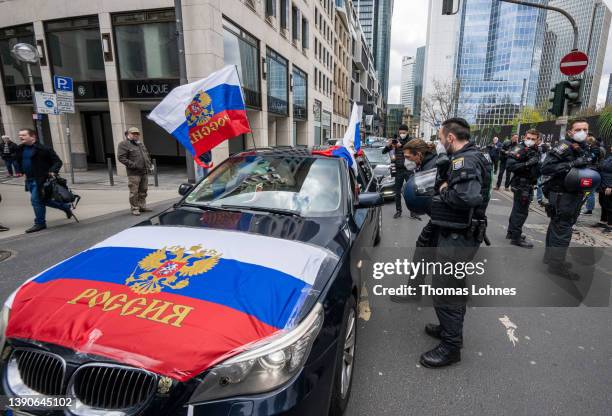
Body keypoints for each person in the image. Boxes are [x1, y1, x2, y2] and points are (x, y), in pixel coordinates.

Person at [420, 118, 492, 368]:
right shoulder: (470, 156)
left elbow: (467, 197)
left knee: (445, 289)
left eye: (441, 138)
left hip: (459, 237)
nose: (440, 143)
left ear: (451, 138)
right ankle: (448, 329)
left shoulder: (465, 160)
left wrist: (442, 189)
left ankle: (451, 347)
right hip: (458, 234)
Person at [390, 138, 440, 303]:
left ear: (418, 154)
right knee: (423, 252)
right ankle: (414, 291)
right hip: (439, 219)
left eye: (409, 157)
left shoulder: (432, 167)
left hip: (443, 220)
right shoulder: (428, 163)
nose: (407, 161)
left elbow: (432, 195)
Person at [541, 119, 592, 280]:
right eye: (578, 129)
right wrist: (572, 163)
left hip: (572, 194)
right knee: (563, 227)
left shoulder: (582, 147)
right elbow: (546, 167)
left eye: (585, 129)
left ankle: (551, 258)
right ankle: (556, 265)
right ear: (570, 131)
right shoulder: (564, 146)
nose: (582, 132)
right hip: (563, 194)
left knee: (558, 225)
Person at [14, 128, 74, 233]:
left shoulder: (44, 149)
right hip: (29, 179)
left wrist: (52, 171)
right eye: (20, 135)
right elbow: (18, 160)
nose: (20, 137)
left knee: (35, 201)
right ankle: (65, 207)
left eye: (23, 135)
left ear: (33, 136)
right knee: (43, 200)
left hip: (42, 180)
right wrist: (20, 170)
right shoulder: (20, 148)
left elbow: (57, 162)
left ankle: (40, 223)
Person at [505, 129, 541, 248]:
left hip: (527, 184)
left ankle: (511, 232)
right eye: (528, 138)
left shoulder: (534, 150)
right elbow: (510, 166)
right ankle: (516, 237)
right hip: (521, 185)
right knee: (521, 212)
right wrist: (527, 164)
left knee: (517, 209)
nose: (530, 141)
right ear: (524, 137)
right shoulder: (519, 148)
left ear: (537, 140)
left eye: (533, 139)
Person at [117, 127, 153, 216]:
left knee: (143, 190)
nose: (135, 135)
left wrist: (150, 165)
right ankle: (135, 208)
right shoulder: (123, 144)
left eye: (137, 133)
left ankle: (142, 206)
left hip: (144, 171)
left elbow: (146, 155)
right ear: (128, 134)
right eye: (133, 133)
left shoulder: (140, 144)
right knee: (134, 192)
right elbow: (121, 158)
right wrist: (134, 165)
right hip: (134, 173)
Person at [382, 125, 415, 219]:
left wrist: (402, 146)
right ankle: (398, 211)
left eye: (404, 132)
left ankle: (412, 212)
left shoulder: (411, 141)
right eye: (400, 132)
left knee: (411, 191)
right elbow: (384, 152)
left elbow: (414, 150)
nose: (402, 134)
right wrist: (389, 145)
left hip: (409, 169)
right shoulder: (395, 141)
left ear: (407, 132)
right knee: (397, 192)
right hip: (399, 170)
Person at [581, 135, 603, 215]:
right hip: (590, 170)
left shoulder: (595, 148)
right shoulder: (592, 148)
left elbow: (591, 158)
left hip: (592, 171)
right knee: (587, 191)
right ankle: (588, 207)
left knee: (590, 191)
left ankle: (589, 209)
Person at [596, 145, 612, 232]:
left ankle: (610, 224)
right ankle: (603, 221)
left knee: (609, 205)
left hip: (609, 185)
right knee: (603, 202)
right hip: (603, 184)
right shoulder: (609, 157)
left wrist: (610, 186)